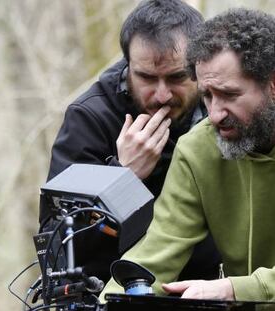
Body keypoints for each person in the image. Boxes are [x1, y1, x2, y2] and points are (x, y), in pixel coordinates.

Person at [40, 0, 221, 286]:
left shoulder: (223, 111)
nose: (162, 95)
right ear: (128, 66)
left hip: (209, 288)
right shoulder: (91, 118)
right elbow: (57, 247)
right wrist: (121, 177)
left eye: (177, 77)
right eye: (147, 77)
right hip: (115, 291)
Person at [103, 7, 275, 301]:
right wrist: (112, 301)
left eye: (229, 95)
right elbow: (156, 253)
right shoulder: (198, 149)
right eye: (207, 95)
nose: (215, 114)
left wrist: (236, 289)